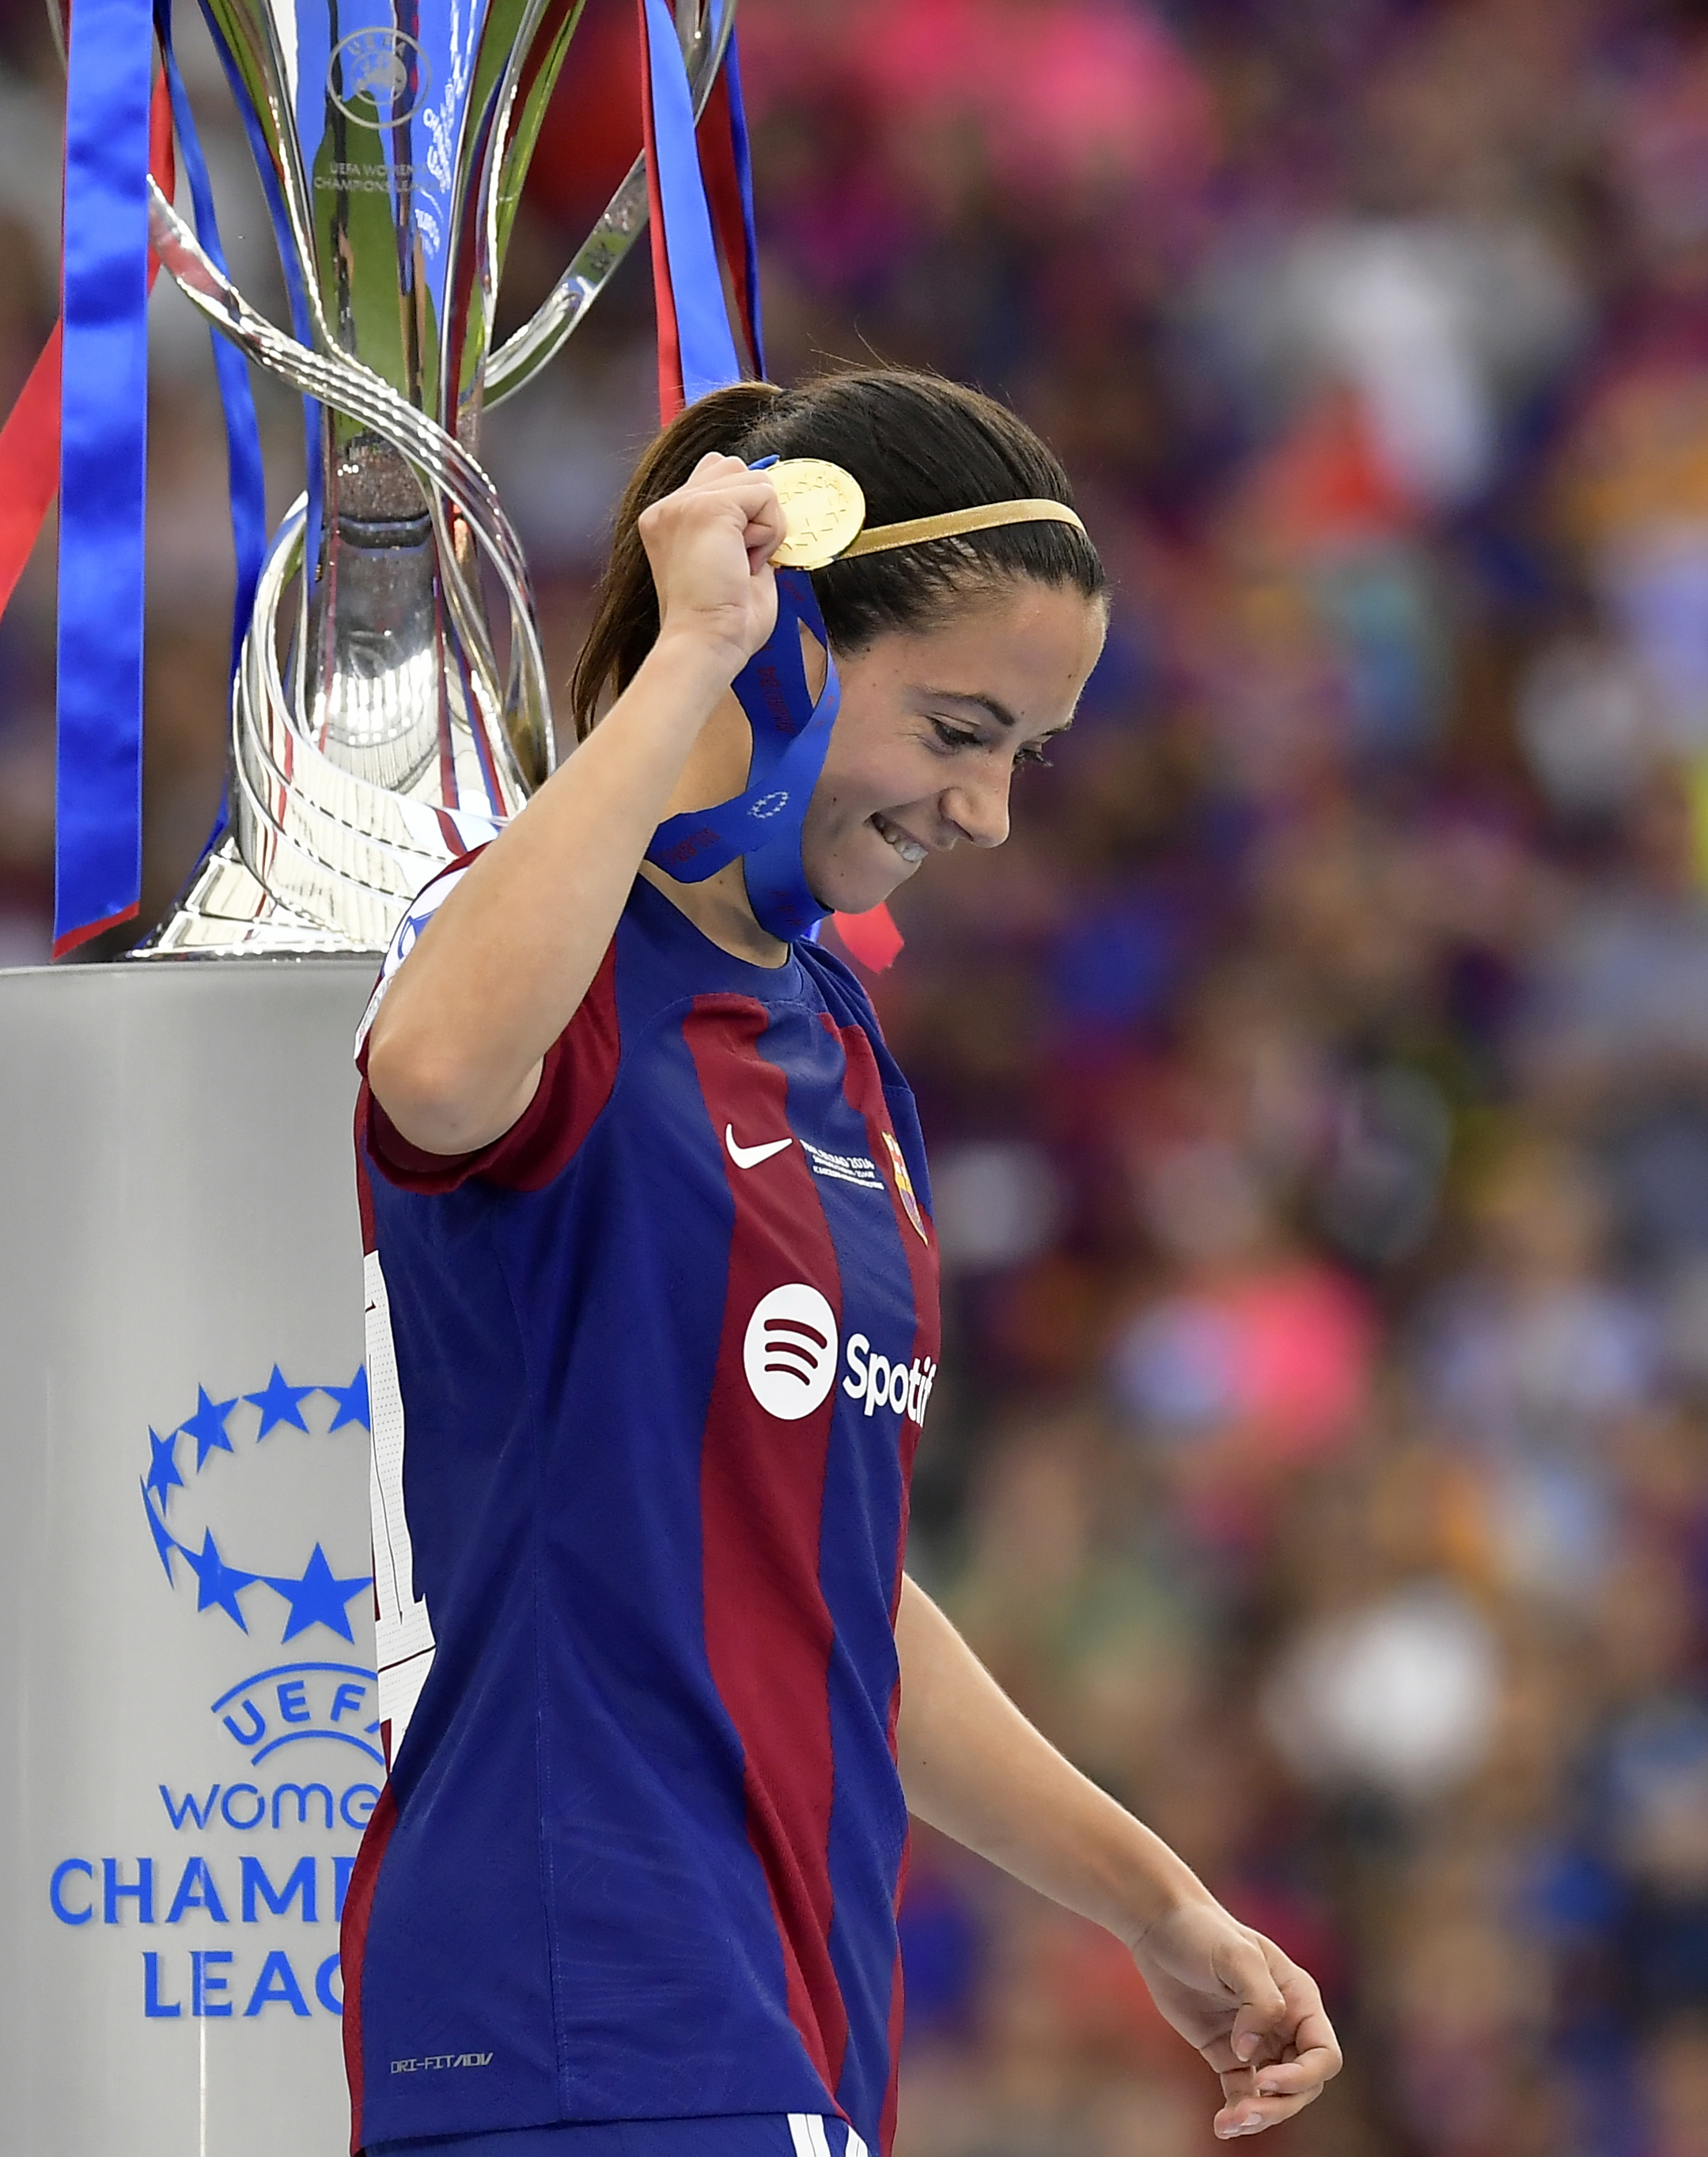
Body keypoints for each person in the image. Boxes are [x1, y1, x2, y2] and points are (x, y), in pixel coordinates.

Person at [341, 370, 1342, 2156]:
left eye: (1021, 756)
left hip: (779, 2012)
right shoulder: (561, 952)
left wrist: (1153, 1904)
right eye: (959, 729)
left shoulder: (836, 1042)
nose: (987, 816)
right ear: (790, 644)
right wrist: (690, 661)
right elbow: (425, 1076)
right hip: (586, 2004)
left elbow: (835, 1587)